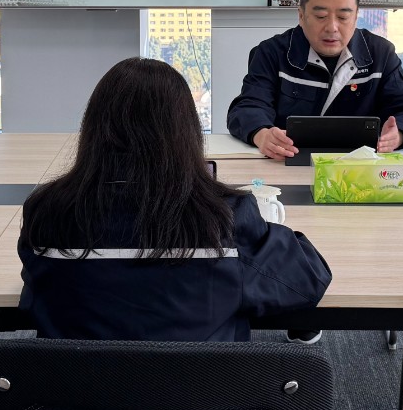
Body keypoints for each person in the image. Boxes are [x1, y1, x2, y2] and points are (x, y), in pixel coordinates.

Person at [20, 57, 331, 341]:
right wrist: (269, 234)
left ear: (93, 127)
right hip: (204, 385)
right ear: (186, 132)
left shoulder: (46, 210)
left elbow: (37, 285)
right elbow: (306, 278)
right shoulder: (226, 215)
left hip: (76, 385)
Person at [227, 0, 403, 160]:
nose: (332, 27)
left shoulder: (380, 54)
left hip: (361, 169)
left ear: (356, 16)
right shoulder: (272, 53)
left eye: (343, 17)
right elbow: (248, 107)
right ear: (301, 15)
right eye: (321, 16)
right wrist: (262, 134)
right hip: (287, 163)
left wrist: (399, 134)